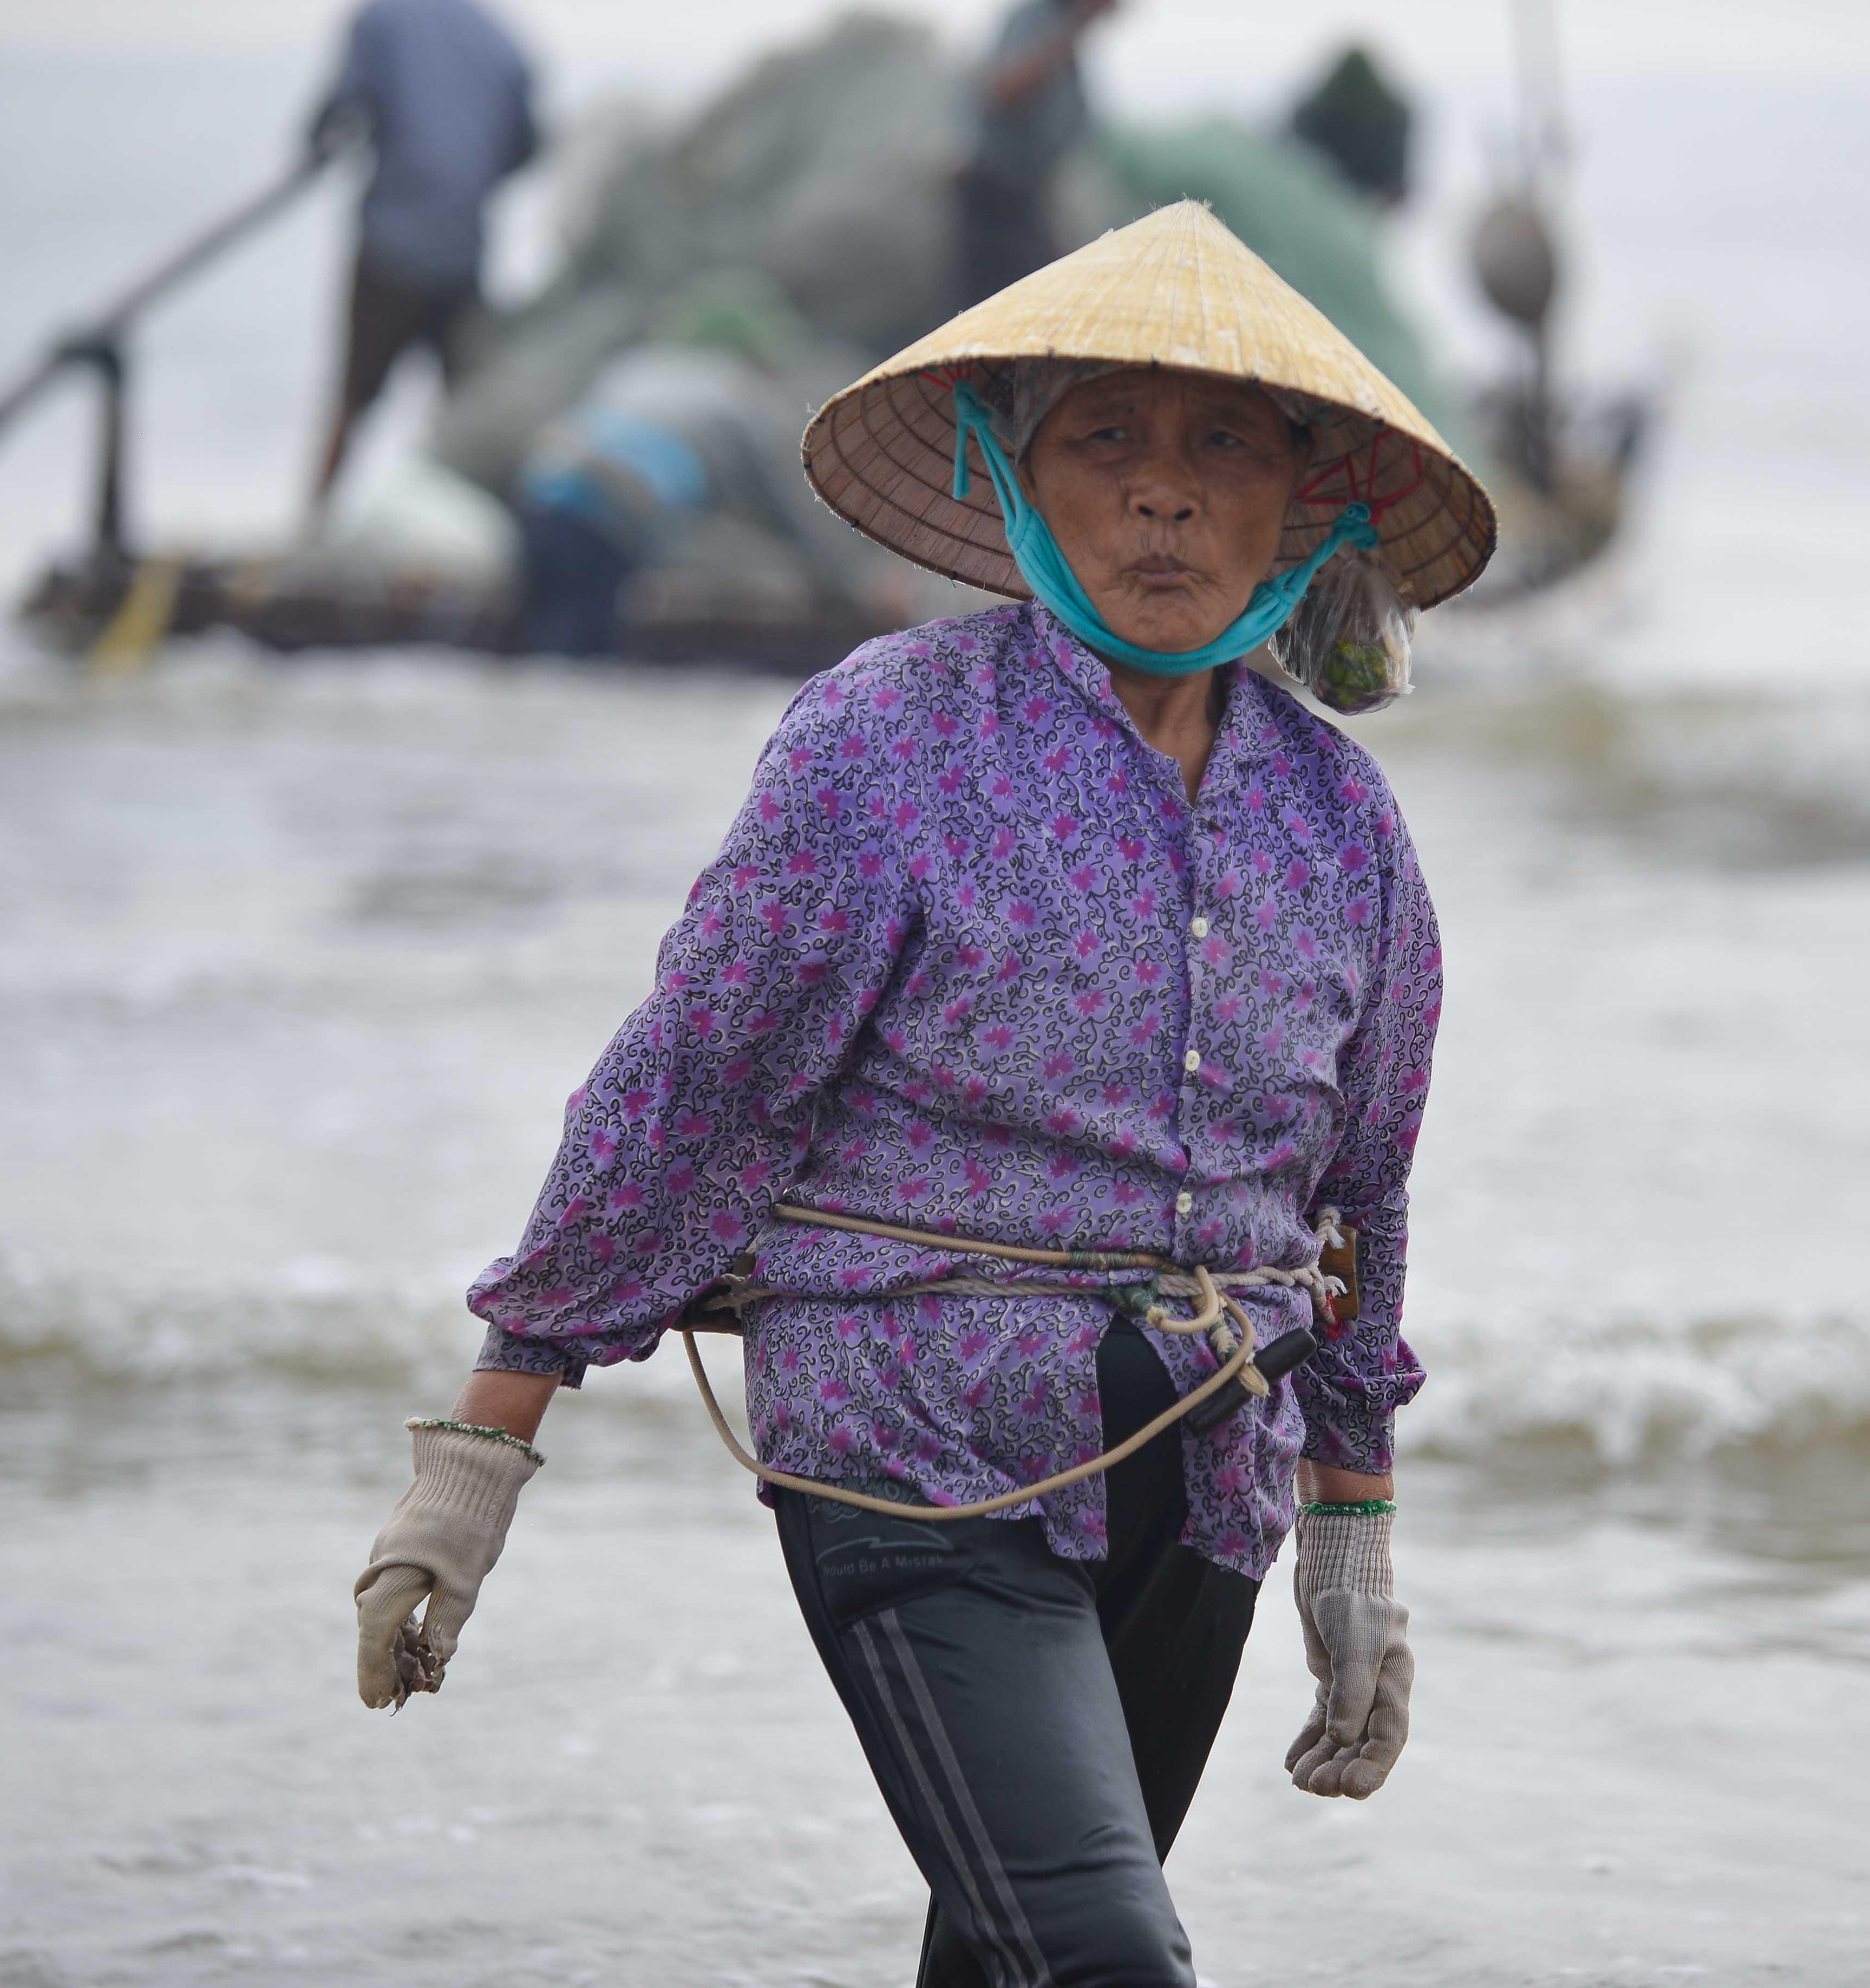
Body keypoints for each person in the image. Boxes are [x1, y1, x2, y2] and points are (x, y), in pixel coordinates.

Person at [351, 202, 1499, 1985]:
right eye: (1103, 440)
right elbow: (691, 1097)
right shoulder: (885, 743)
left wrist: (1353, 1540)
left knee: (1005, 1959)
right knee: (1110, 1963)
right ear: (1013, 475)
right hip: (914, 1455)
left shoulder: (1342, 825)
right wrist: (482, 1452)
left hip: (1206, 1487)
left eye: (1220, 447)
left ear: (1310, 499)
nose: (1164, 495)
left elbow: (1360, 1198)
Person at [512, 271, 901, 656]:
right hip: (615, 510)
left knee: (544, 632)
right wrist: (855, 578)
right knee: (585, 643)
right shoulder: (736, 394)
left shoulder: (637, 366)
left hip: (543, 489)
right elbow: (794, 499)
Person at [303, 0, 538, 522]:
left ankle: (312, 529)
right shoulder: (501, 42)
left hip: (393, 246)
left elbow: (343, 108)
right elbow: (524, 146)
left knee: (353, 399)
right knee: (465, 404)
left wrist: (315, 144)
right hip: (462, 252)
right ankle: (494, 532)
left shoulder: (382, 20)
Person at [952, 0, 1121, 309]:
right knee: (991, 313)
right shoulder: (1037, 23)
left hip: (1028, 204)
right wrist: (1076, 25)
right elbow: (1004, 90)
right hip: (994, 200)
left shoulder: (1071, 58)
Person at [1287, 44, 1415, 210]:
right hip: (1318, 195)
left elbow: (1396, 188)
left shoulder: (1393, 116)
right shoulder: (1313, 111)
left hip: (1354, 204)